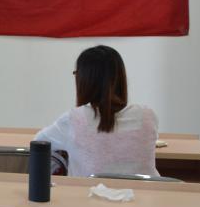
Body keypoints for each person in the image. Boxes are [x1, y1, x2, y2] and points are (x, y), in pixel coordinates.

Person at [35, 45, 159, 178]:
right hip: (144, 191)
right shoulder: (148, 116)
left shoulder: (74, 119)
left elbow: (38, 143)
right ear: (120, 78)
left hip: (89, 191)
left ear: (83, 79)